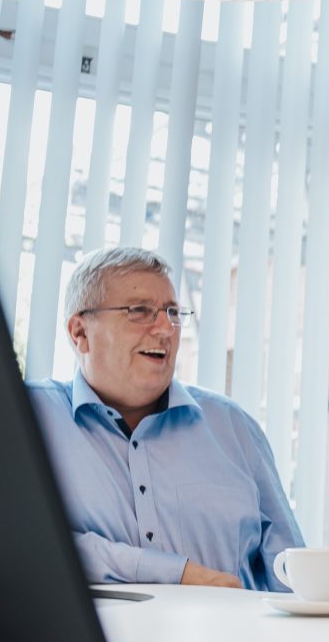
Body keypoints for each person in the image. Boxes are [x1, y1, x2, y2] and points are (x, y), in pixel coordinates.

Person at [28, 247, 304, 590]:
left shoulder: (233, 427)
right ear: (80, 333)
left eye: (172, 312)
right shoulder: (30, 415)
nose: (166, 329)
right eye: (140, 311)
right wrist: (178, 573)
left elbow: (293, 575)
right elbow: (16, 539)